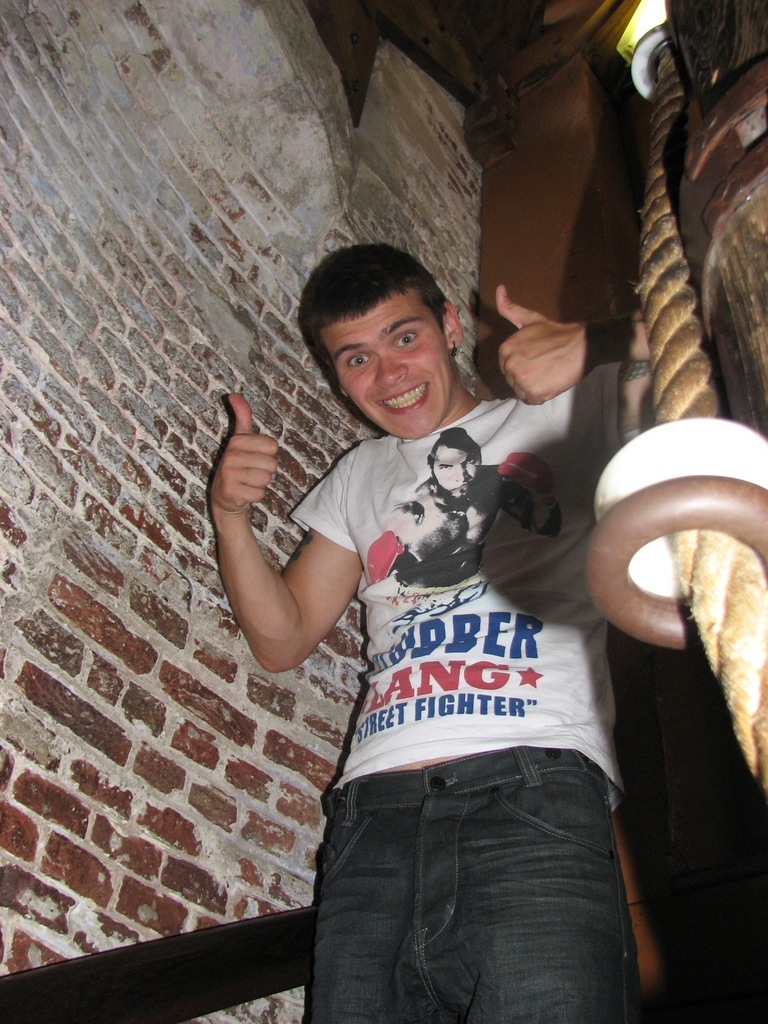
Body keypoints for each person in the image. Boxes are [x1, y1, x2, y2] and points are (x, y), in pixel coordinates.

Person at [210, 243, 651, 1024]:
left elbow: (727, 329)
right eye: (356, 358)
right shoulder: (360, 472)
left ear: (449, 325)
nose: (388, 375)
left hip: (532, 791)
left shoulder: (560, 412)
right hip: (373, 820)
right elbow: (282, 641)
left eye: (404, 337)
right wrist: (230, 517)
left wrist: (599, 342)